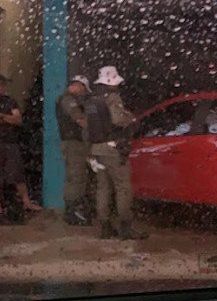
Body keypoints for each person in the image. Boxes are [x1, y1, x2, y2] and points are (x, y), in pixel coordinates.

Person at [85, 66, 148, 240]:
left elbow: (87, 128)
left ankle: (105, 227)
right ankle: (126, 227)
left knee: (103, 188)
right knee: (123, 188)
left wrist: (89, 151)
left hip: (97, 148)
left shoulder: (92, 100)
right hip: (112, 148)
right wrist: (130, 117)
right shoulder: (112, 97)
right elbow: (117, 119)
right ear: (112, 81)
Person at [0, 74, 41, 216]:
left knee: (17, 172)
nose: (3, 88)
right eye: (1, 85)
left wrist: (2, 116)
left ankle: (26, 201)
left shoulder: (9, 101)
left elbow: (18, 119)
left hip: (10, 142)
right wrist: (7, 118)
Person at [56, 75, 92, 225]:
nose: (83, 93)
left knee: (77, 176)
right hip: (73, 143)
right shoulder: (68, 100)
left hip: (74, 142)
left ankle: (75, 209)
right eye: (83, 90)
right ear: (79, 85)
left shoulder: (67, 99)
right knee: (76, 176)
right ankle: (72, 211)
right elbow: (80, 120)